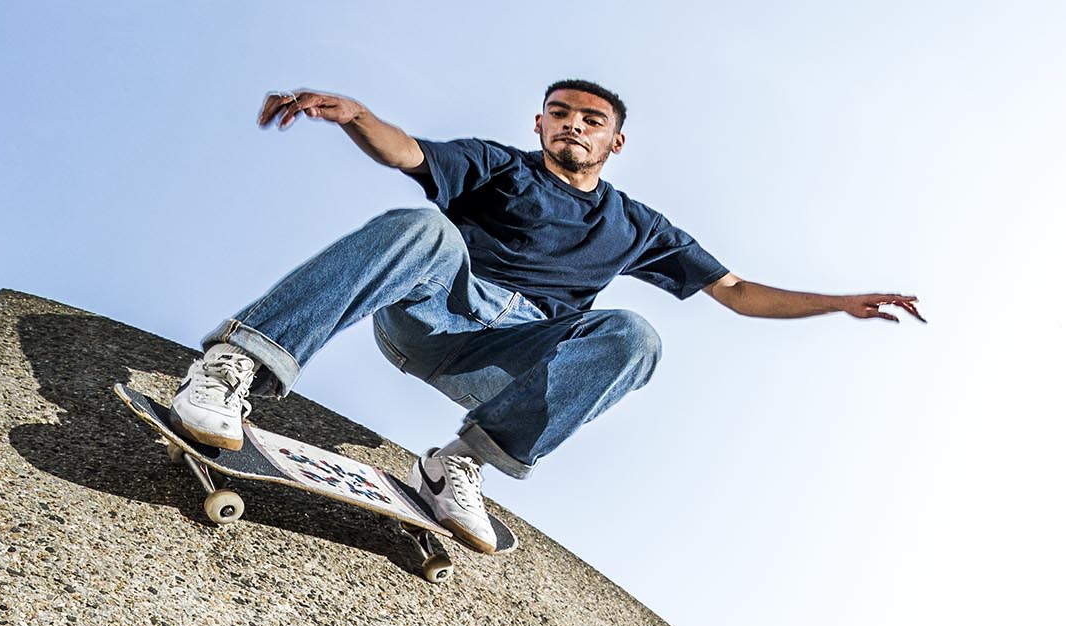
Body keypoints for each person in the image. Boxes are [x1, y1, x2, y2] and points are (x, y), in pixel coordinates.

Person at [170, 80, 922, 552]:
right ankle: (234, 368)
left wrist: (838, 303)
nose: (572, 126)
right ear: (539, 124)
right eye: (559, 114)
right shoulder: (501, 166)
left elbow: (737, 291)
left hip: (506, 357)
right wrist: (358, 117)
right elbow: (410, 155)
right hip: (434, 309)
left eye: (589, 120)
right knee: (424, 226)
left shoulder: (641, 226)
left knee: (636, 336)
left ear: (613, 141)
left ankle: (461, 464)